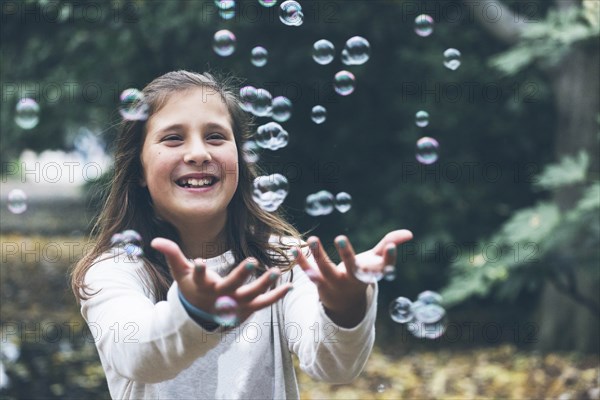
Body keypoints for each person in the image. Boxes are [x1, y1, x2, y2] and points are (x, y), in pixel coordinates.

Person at [70, 70, 413, 399]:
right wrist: (193, 311)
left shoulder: (283, 259)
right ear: (139, 170)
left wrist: (345, 306)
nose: (198, 154)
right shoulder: (115, 271)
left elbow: (334, 366)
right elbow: (137, 354)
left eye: (216, 136)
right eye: (173, 138)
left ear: (240, 157)